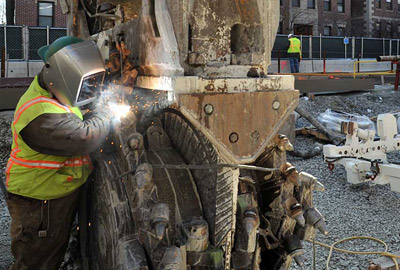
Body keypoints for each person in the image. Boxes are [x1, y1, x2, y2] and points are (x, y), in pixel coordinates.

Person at [4, 36, 111, 270]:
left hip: (53, 194)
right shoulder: (40, 114)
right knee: (36, 263)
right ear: (61, 76)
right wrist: (109, 115)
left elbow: (80, 109)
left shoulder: (57, 92)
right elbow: (86, 137)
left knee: (52, 253)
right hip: (38, 202)